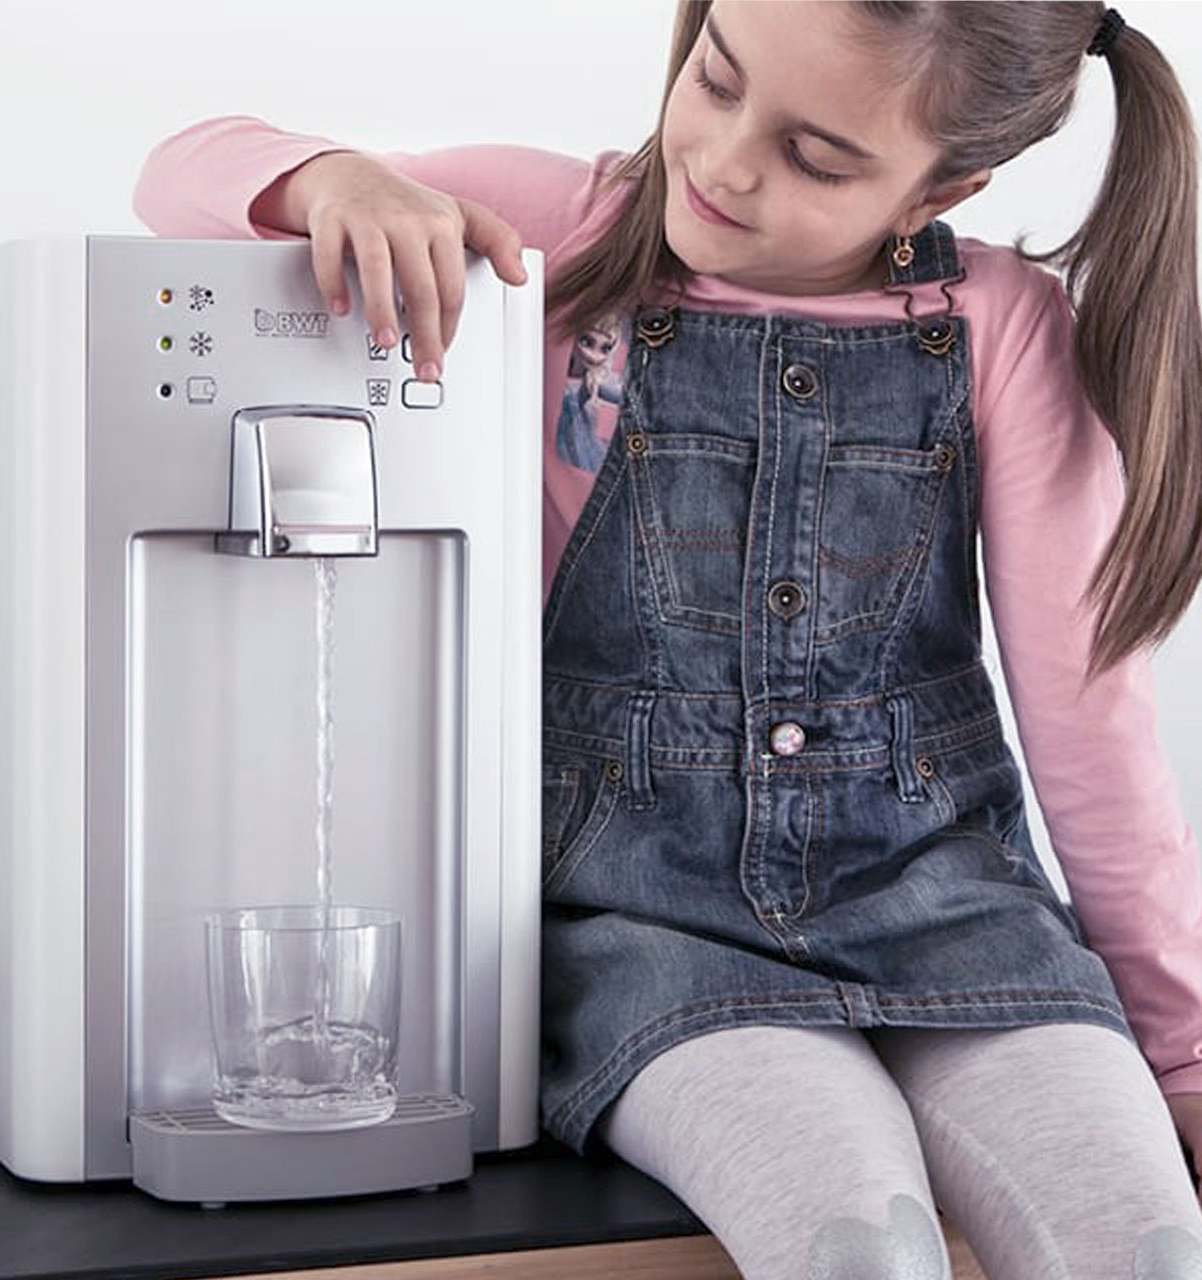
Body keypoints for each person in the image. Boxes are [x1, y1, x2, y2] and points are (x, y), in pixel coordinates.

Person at [133, 4, 1202, 1276]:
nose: (724, 162)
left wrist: (1181, 1054)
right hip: (646, 927)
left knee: (1144, 1245)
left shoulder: (1004, 328)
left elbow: (1093, 730)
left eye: (813, 157)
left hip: (949, 907)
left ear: (944, 187)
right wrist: (334, 180)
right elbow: (176, 174)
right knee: (856, 1245)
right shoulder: (567, 230)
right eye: (716, 78)